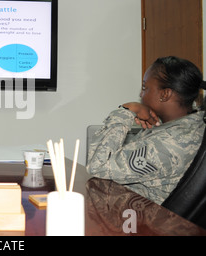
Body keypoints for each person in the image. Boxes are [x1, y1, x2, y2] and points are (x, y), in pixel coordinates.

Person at [87, 56, 206, 205]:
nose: (141, 95)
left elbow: (98, 166)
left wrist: (127, 110)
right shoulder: (193, 125)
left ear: (165, 94)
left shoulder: (168, 143)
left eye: (145, 88)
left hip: (146, 222)